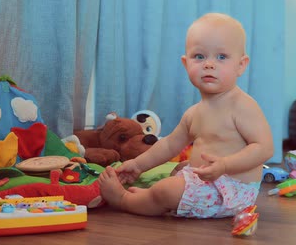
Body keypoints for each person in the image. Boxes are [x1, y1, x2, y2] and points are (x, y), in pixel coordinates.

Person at [98, 12, 274, 218]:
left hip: (232, 190)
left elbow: (264, 148)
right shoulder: (194, 112)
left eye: (221, 57)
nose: (209, 64)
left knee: (166, 189)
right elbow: (169, 144)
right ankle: (152, 198)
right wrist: (137, 165)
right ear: (186, 63)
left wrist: (225, 165)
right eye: (199, 56)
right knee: (176, 171)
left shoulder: (242, 105)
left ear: (241, 65)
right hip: (206, 183)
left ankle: (124, 200)